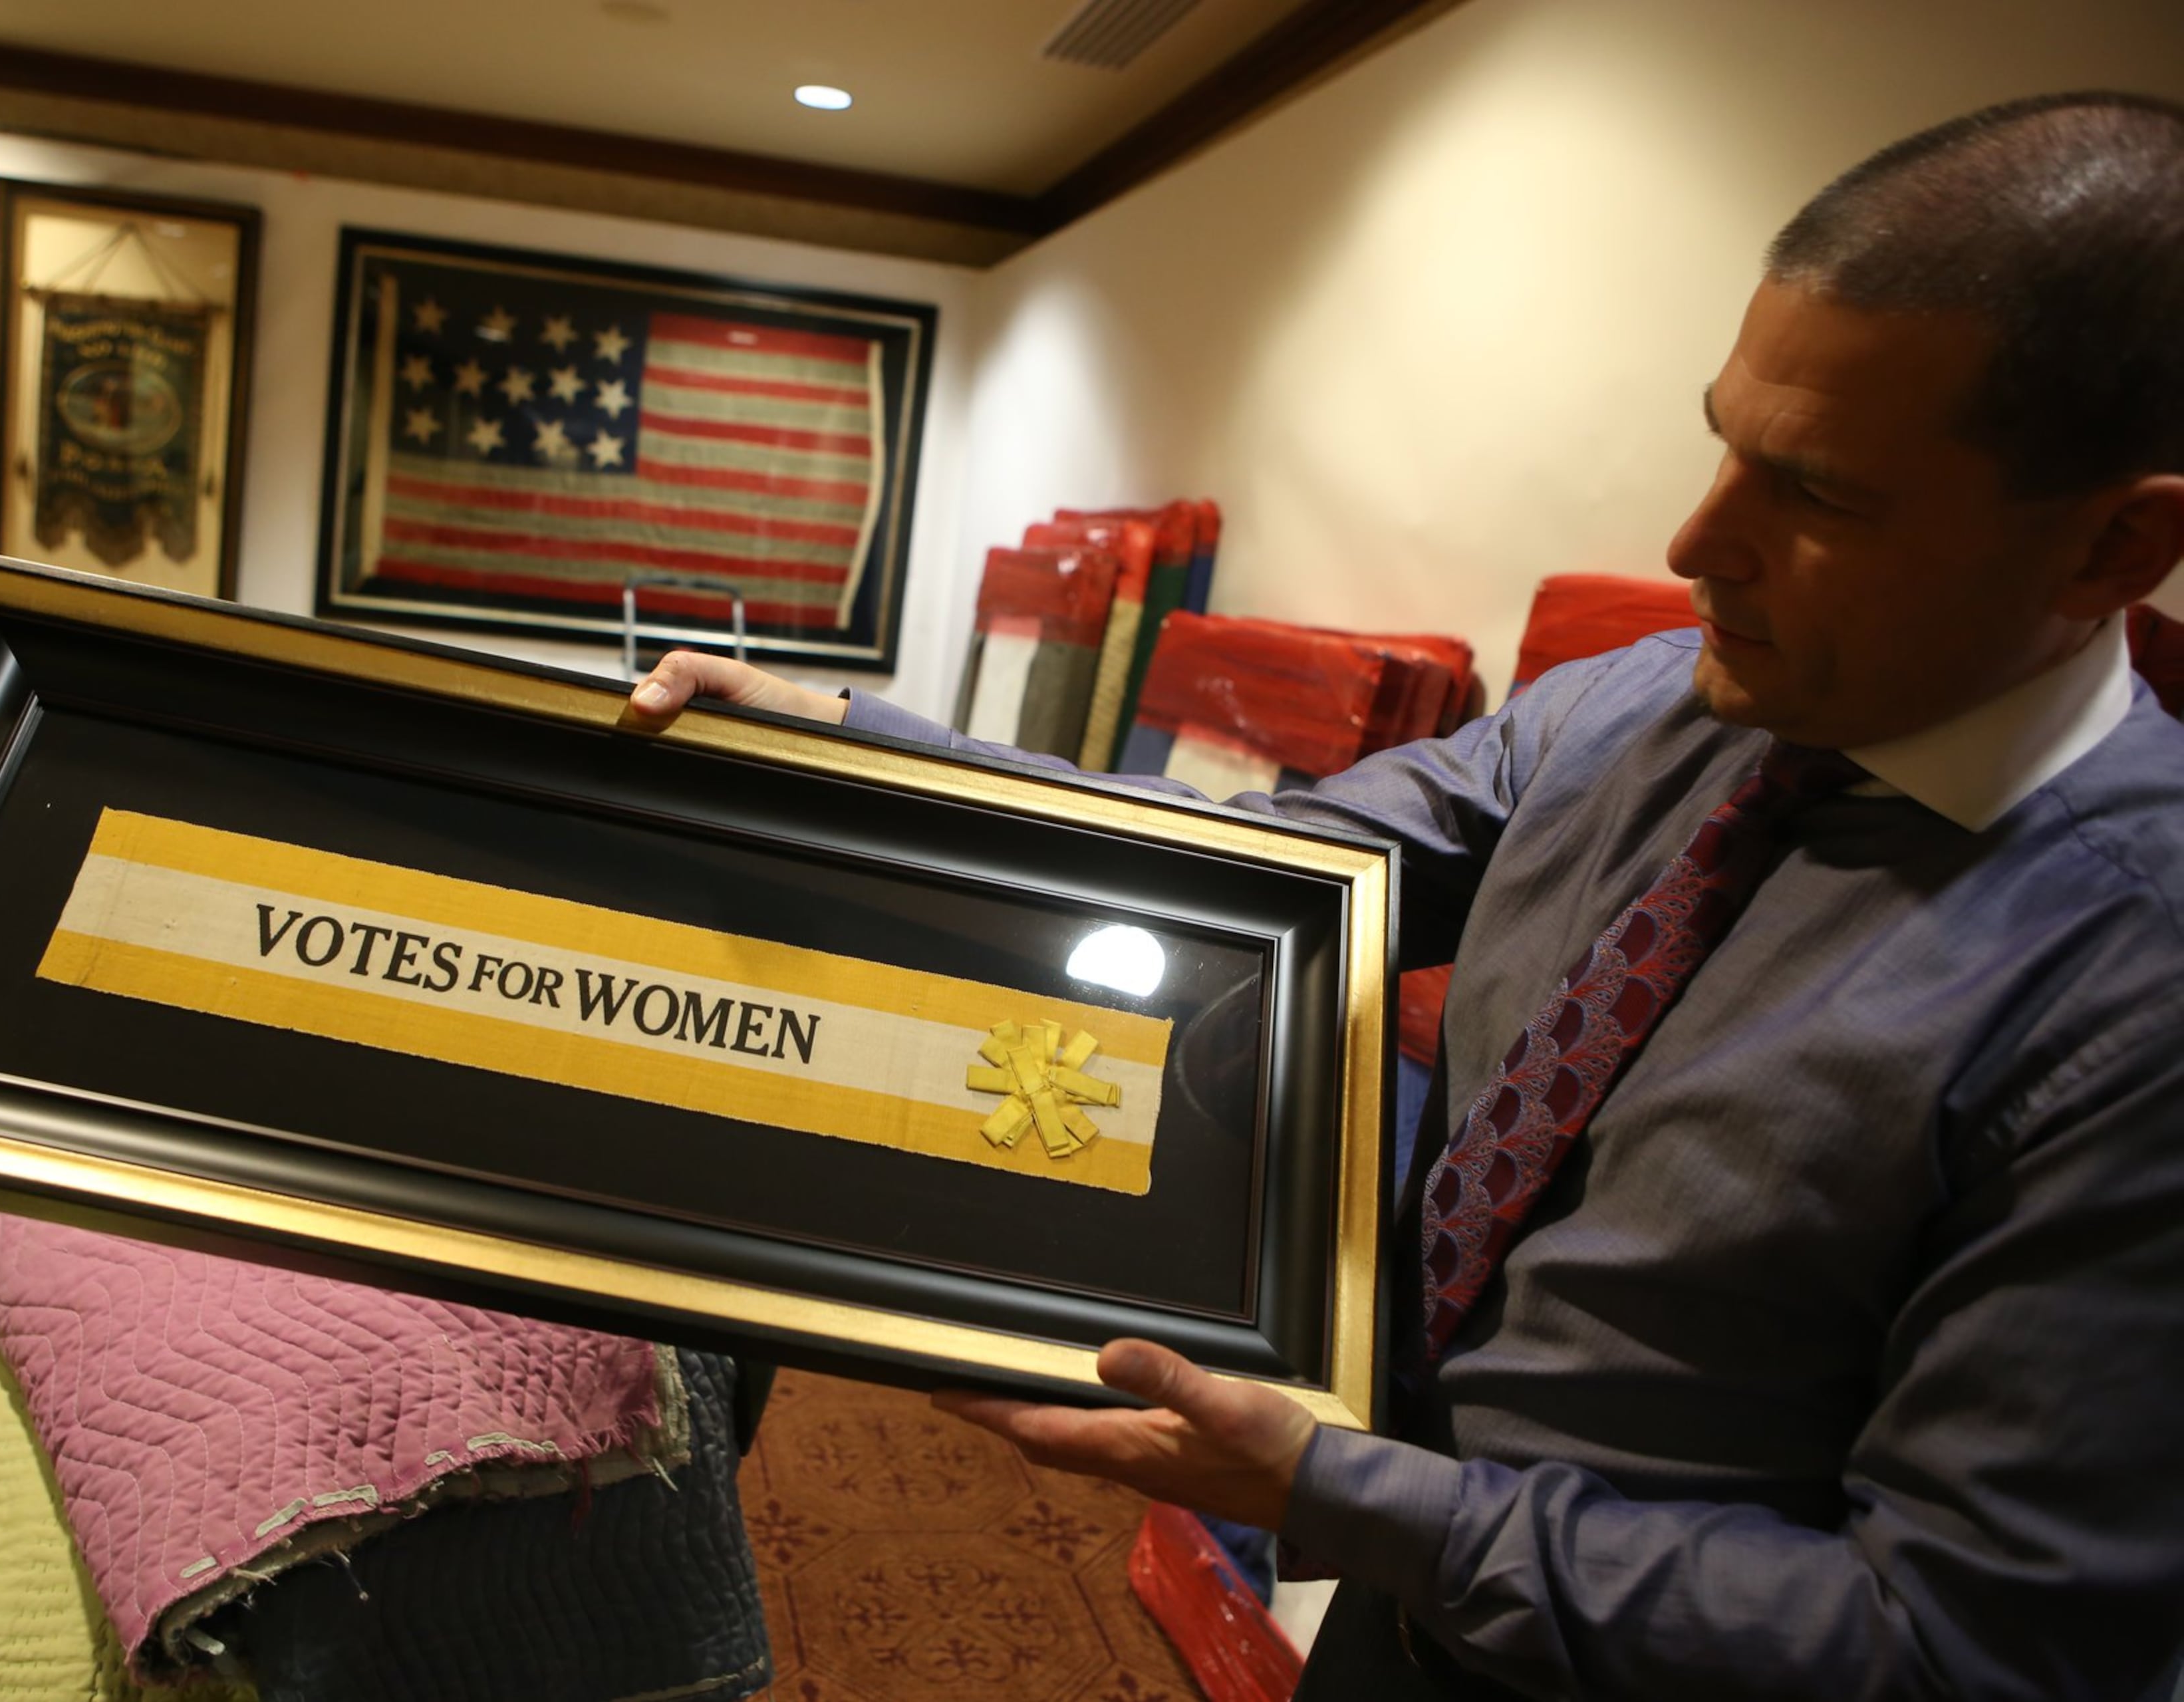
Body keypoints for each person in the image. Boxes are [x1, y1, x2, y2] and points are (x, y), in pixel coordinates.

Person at [628, 92, 2184, 1699]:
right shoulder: (1641, 705)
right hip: (1409, 1605)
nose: (1697, 536)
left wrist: (1339, 1492)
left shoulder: (2134, 990)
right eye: (1723, 440)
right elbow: (1253, 865)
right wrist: (848, 751)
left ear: (2113, 546)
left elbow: (1969, 1646)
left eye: (1821, 496)